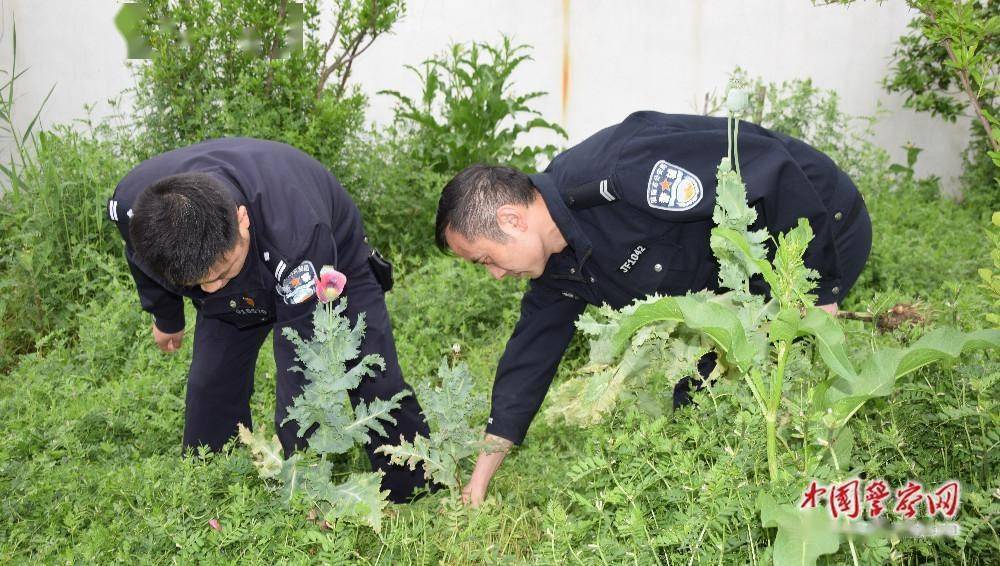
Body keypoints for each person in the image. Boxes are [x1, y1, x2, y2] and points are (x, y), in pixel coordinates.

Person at [435, 111, 872, 505]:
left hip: (813, 223)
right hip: (728, 277)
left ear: (512, 219)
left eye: (486, 259)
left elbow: (770, 169)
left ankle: (828, 484)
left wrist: (818, 299)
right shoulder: (555, 265)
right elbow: (529, 359)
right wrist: (479, 481)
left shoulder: (619, 173)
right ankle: (729, 498)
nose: (493, 274)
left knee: (792, 380)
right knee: (697, 400)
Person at [108, 137, 431, 502]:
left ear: (241, 217)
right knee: (210, 386)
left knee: (375, 379)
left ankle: (414, 484)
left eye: (221, 273)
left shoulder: (298, 232)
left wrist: (297, 464)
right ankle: (211, 493)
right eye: (199, 282)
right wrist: (165, 315)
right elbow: (142, 260)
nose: (212, 289)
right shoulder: (135, 207)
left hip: (330, 270)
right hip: (248, 271)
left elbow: (303, 364)